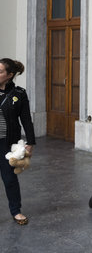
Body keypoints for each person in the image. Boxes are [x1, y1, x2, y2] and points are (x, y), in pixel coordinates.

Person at [0, 58, 35, 225]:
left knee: (9, 179)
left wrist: (31, 142)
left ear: (10, 75)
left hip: (7, 144)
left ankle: (16, 211)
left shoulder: (19, 94)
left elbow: (26, 120)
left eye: (0, 72)